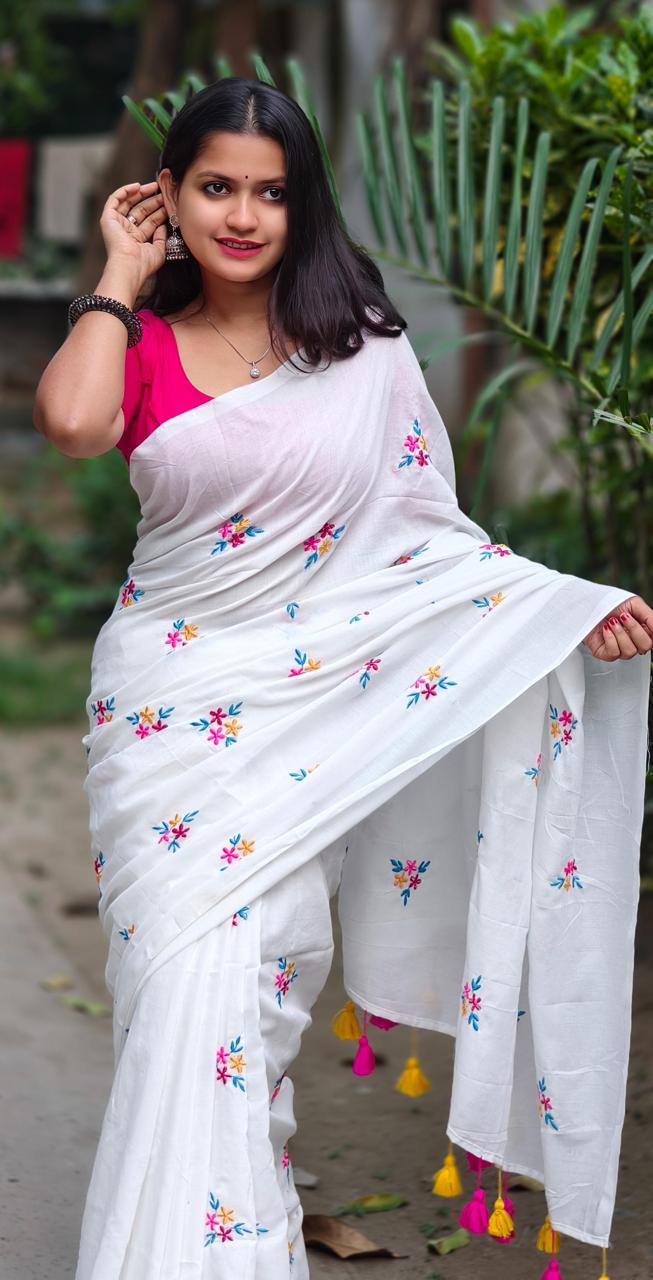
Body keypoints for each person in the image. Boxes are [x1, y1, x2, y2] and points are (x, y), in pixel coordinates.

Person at [33, 77, 652, 1279]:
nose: (241, 216)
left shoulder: (357, 350)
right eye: (214, 187)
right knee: (181, 995)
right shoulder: (141, 340)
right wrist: (117, 272)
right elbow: (70, 422)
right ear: (167, 196)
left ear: (301, 204)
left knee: (250, 998)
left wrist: (559, 611)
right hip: (168, 719)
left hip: (296, 728)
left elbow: (424, 541)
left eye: (269, 193)